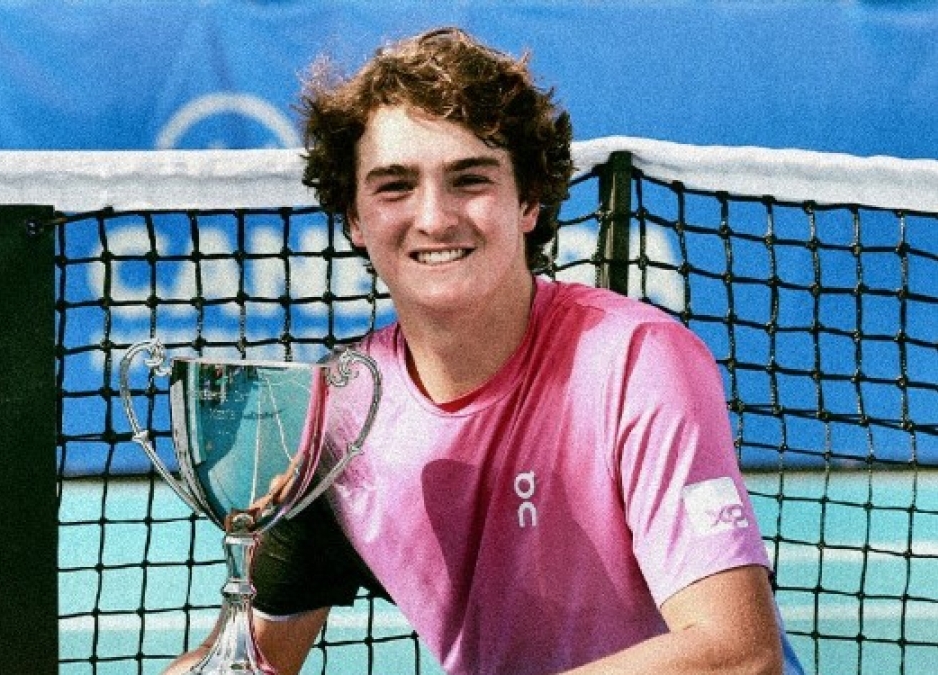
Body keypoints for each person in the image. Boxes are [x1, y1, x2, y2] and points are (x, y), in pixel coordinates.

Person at [167, 27, 803, 675]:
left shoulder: (637, 362)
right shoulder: (342, 412)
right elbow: (255, 657)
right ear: (354, 217)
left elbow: (738, 654)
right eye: (394, 185)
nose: (435, 217)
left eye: (469, 179)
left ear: (527, 198)